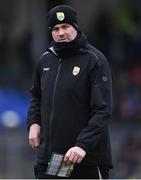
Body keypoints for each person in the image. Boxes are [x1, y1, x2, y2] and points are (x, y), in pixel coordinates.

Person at [27, 5, 113, 179]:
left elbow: (102, 110)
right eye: (56, 29)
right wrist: (34, 122)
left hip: (86, 159)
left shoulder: (94, 61)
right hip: (56, 159)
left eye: (66, 26)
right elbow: (37, 95)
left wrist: (82, 145)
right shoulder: (46, 60)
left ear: (75, 27)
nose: (61, 32)